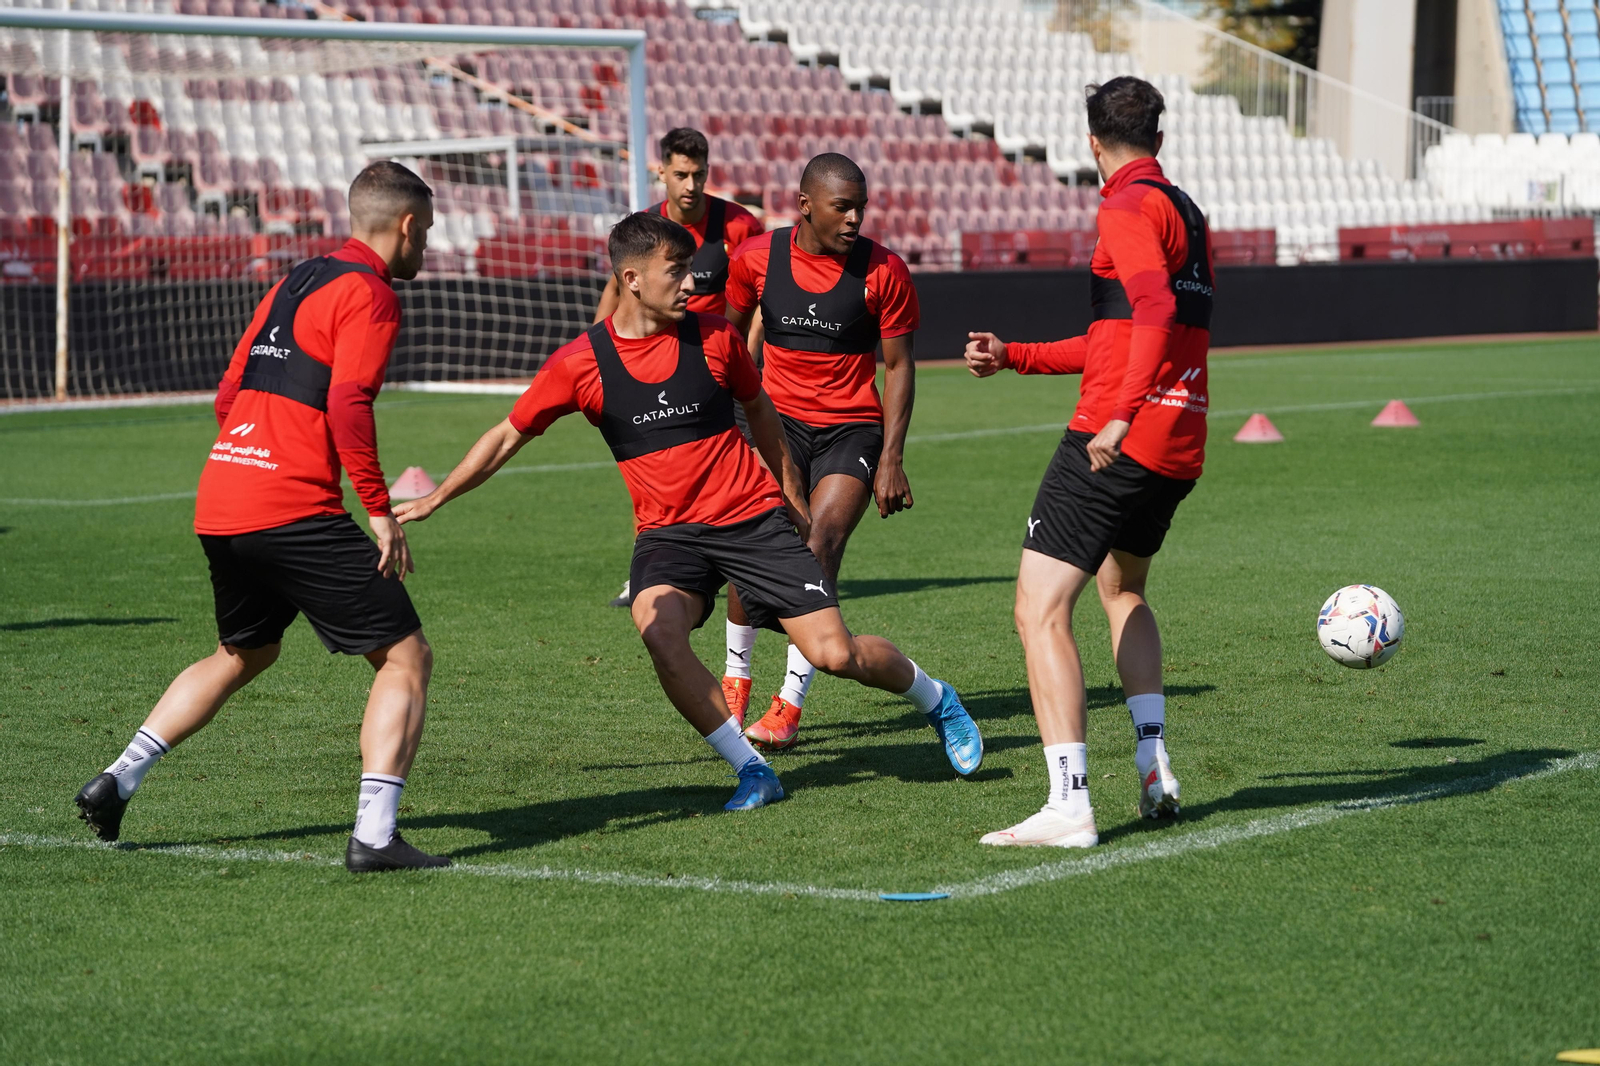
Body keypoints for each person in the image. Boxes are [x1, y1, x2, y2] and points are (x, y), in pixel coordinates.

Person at [394, 212, 981, 810]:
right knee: (657, 627)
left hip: (752, 520)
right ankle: (752, 771)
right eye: (676, 273)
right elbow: (504, 436)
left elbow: (762, 415)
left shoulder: (718, 338)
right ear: (631, 279)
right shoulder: (581, 362)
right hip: (669, 535)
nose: (692, 285)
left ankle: (938, 699)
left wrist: (793, 498)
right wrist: (438, 497)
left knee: (836, 654)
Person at [73, 162, 448, 872]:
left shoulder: (294, 279)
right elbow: (347, 405)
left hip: (223, 496)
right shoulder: (369, 293)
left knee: (246, 651)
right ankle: (374, 835)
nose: (424, 247)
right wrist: (378, 509)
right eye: (424, 233)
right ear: (404, 226)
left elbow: (228, 391)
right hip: (290, 506)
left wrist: (248, 459)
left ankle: (119, 778)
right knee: (405, 655)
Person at [963, 77, 1213, 848]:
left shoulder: (1124, 205)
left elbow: (1156, 312)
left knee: (1037, 610)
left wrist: (1117, 415)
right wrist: (1017, 357)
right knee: (1122, 588)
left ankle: (1068, 802)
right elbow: (1117, 336)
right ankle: (1151, 756)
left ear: (1092, 143)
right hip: (1178, 442)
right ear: (1160, 142)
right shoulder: (1186, 211)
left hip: (1119, 442)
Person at [717, 152, 921, 750]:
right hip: (773, 425)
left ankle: (790, 704)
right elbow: (725, 341)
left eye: (861, 206)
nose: (856, 218)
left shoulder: (885, 271)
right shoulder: (755, 258)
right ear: (805, 205)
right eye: (842, 207)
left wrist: (891, 457)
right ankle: (736, 678)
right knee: (755, 542)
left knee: (819, 544)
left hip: (851, 429)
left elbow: (900, 368)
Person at [596, 127, 764, 608]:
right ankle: (646, 568)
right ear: (662, 172)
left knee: (747, 465)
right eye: (681, 174)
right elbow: (614, 295)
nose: (690, 185)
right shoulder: (644, 230)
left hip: (721, 363)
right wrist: (600, 360)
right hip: (656, 367)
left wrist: (747, 358)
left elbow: (758, 301)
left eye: (699, 174)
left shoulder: (738, 226)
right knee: (648, 469)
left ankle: (752, 561)